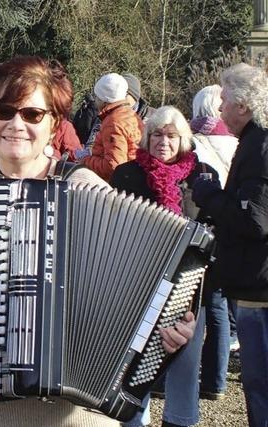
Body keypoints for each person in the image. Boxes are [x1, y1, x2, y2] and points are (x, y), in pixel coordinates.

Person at [0, 56, 196, 427]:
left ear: (55, 122)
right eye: (4, 110)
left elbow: (150, 294)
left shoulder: (89, 192)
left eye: (32, 114)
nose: (16, 124)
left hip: (83, 416)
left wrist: (169, 330)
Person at [111, 106, 217, 427]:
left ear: (184, 139)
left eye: (171, 136)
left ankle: (180, 420)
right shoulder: (128, 174)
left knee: (185, 359)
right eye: (157, 134)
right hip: (138, 281)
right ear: (146, 137)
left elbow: (213, 229)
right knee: (135, 362)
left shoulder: (203, 176)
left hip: (189, 285)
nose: (163, 142)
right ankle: (132, 418)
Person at [191, 62, 268, 427]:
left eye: (224, 102)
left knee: (259, 382)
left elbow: (255, 219)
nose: (219, 110)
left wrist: (209, 195)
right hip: (254, 280)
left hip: (259, 286)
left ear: (243, 105)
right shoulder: (254, 141)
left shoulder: (260, 145)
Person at [190, 84, 239, 402]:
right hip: (230, 228)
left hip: (203, 225)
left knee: (194, 305)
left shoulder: (195, 142)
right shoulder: (238, 141)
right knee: (220, 307)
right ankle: (216, 380)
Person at [80, 73, 143, 181]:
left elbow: (113, 166)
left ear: (104, 100)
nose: (95, 100)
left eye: (96, 96)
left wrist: (85, 160)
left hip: (117, 187)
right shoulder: (131, 116)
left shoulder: (113, 122)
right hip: (134, 180)